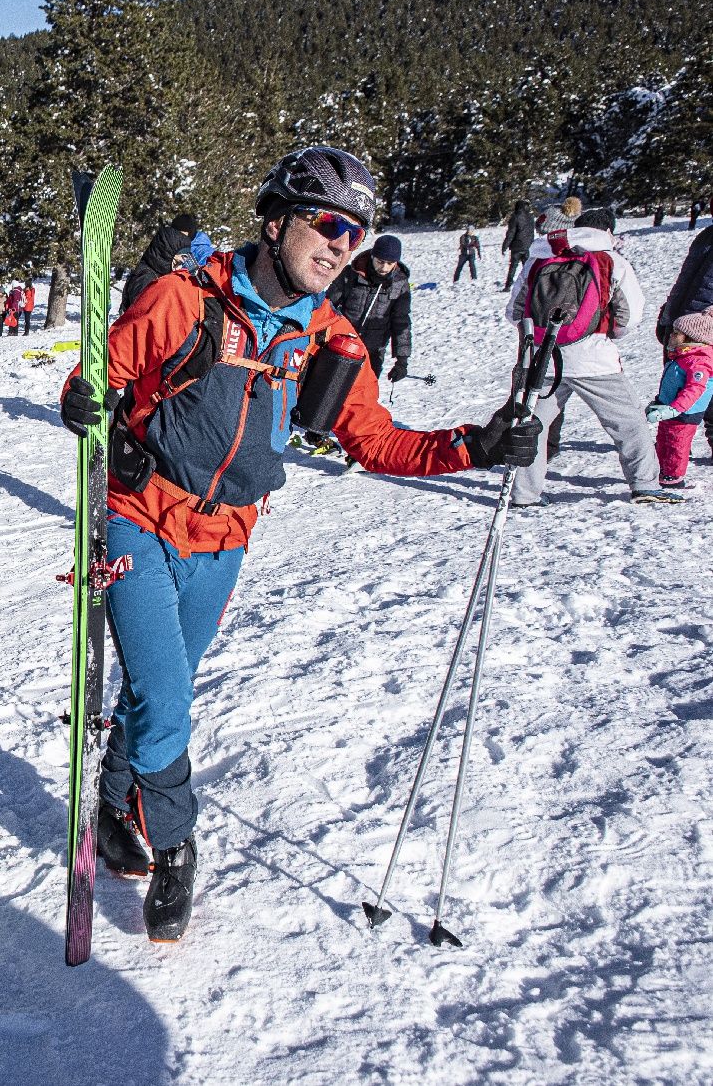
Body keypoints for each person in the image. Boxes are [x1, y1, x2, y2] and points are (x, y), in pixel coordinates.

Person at [57, 146, 542, 943]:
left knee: (160, 687)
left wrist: (476, 445)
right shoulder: (184, 303)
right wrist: (83, 402)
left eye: (353, 234)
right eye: (326, 224)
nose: (340, 244)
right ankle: (177, 845)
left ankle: (116, 802)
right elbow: (99, 376)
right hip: (138, 518)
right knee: (169, 696)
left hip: (226, 540)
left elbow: (379, 442)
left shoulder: (329, 342)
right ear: (276, 221)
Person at [505, 207, 682, 505]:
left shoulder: (541, 256)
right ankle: (645, 484)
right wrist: (603, 332)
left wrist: (542, 336)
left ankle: (524, 493)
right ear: (608, 232)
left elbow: (514, 311)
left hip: (542, 356)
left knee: (532, 423)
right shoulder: (611, 259)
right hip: (594, 359)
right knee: (628, 422)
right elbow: (630, 315)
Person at [654, 222, 713, 459]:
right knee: (677, 386)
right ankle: (673, 449)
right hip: (683, 323)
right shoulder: (706, 235)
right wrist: (669, 314)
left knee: (701, 385)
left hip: (704, 325)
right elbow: (685, 279)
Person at [328, 233, 413, 381]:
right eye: (380, 261)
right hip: (342, 345)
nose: (384, 267)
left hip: (373, 352)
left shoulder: (400, 284)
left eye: (390, 263)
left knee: (362, 398)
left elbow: (401, 322)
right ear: (373, 256)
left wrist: (402, 361)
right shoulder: (351, 275)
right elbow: (328, 306)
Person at [646, 311, 713, 490]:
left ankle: (673, 476)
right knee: (663, 440)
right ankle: (661, 469)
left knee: (677, 444)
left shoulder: (699, 361)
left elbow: (695, 389)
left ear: (692, 338)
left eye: (676, 333)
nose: (671, 336)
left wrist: (675, 409)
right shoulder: (683, 357)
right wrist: (658, 403)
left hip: (684, 413)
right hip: (668, 408)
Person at [121, 213, 200, 315]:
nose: (181, 240)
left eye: (186, 239)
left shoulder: (187, 258)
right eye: (179, 236)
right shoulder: (148, 273)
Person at [501, 200, 535, 290]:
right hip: (528, 246)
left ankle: (508, 286)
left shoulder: (515, 217)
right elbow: (531, 232)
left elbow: (511, 233)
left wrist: (505, 246)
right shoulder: (531, 217)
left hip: (517, 246)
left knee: (513, 267)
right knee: (527, 267)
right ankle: (530, 285)